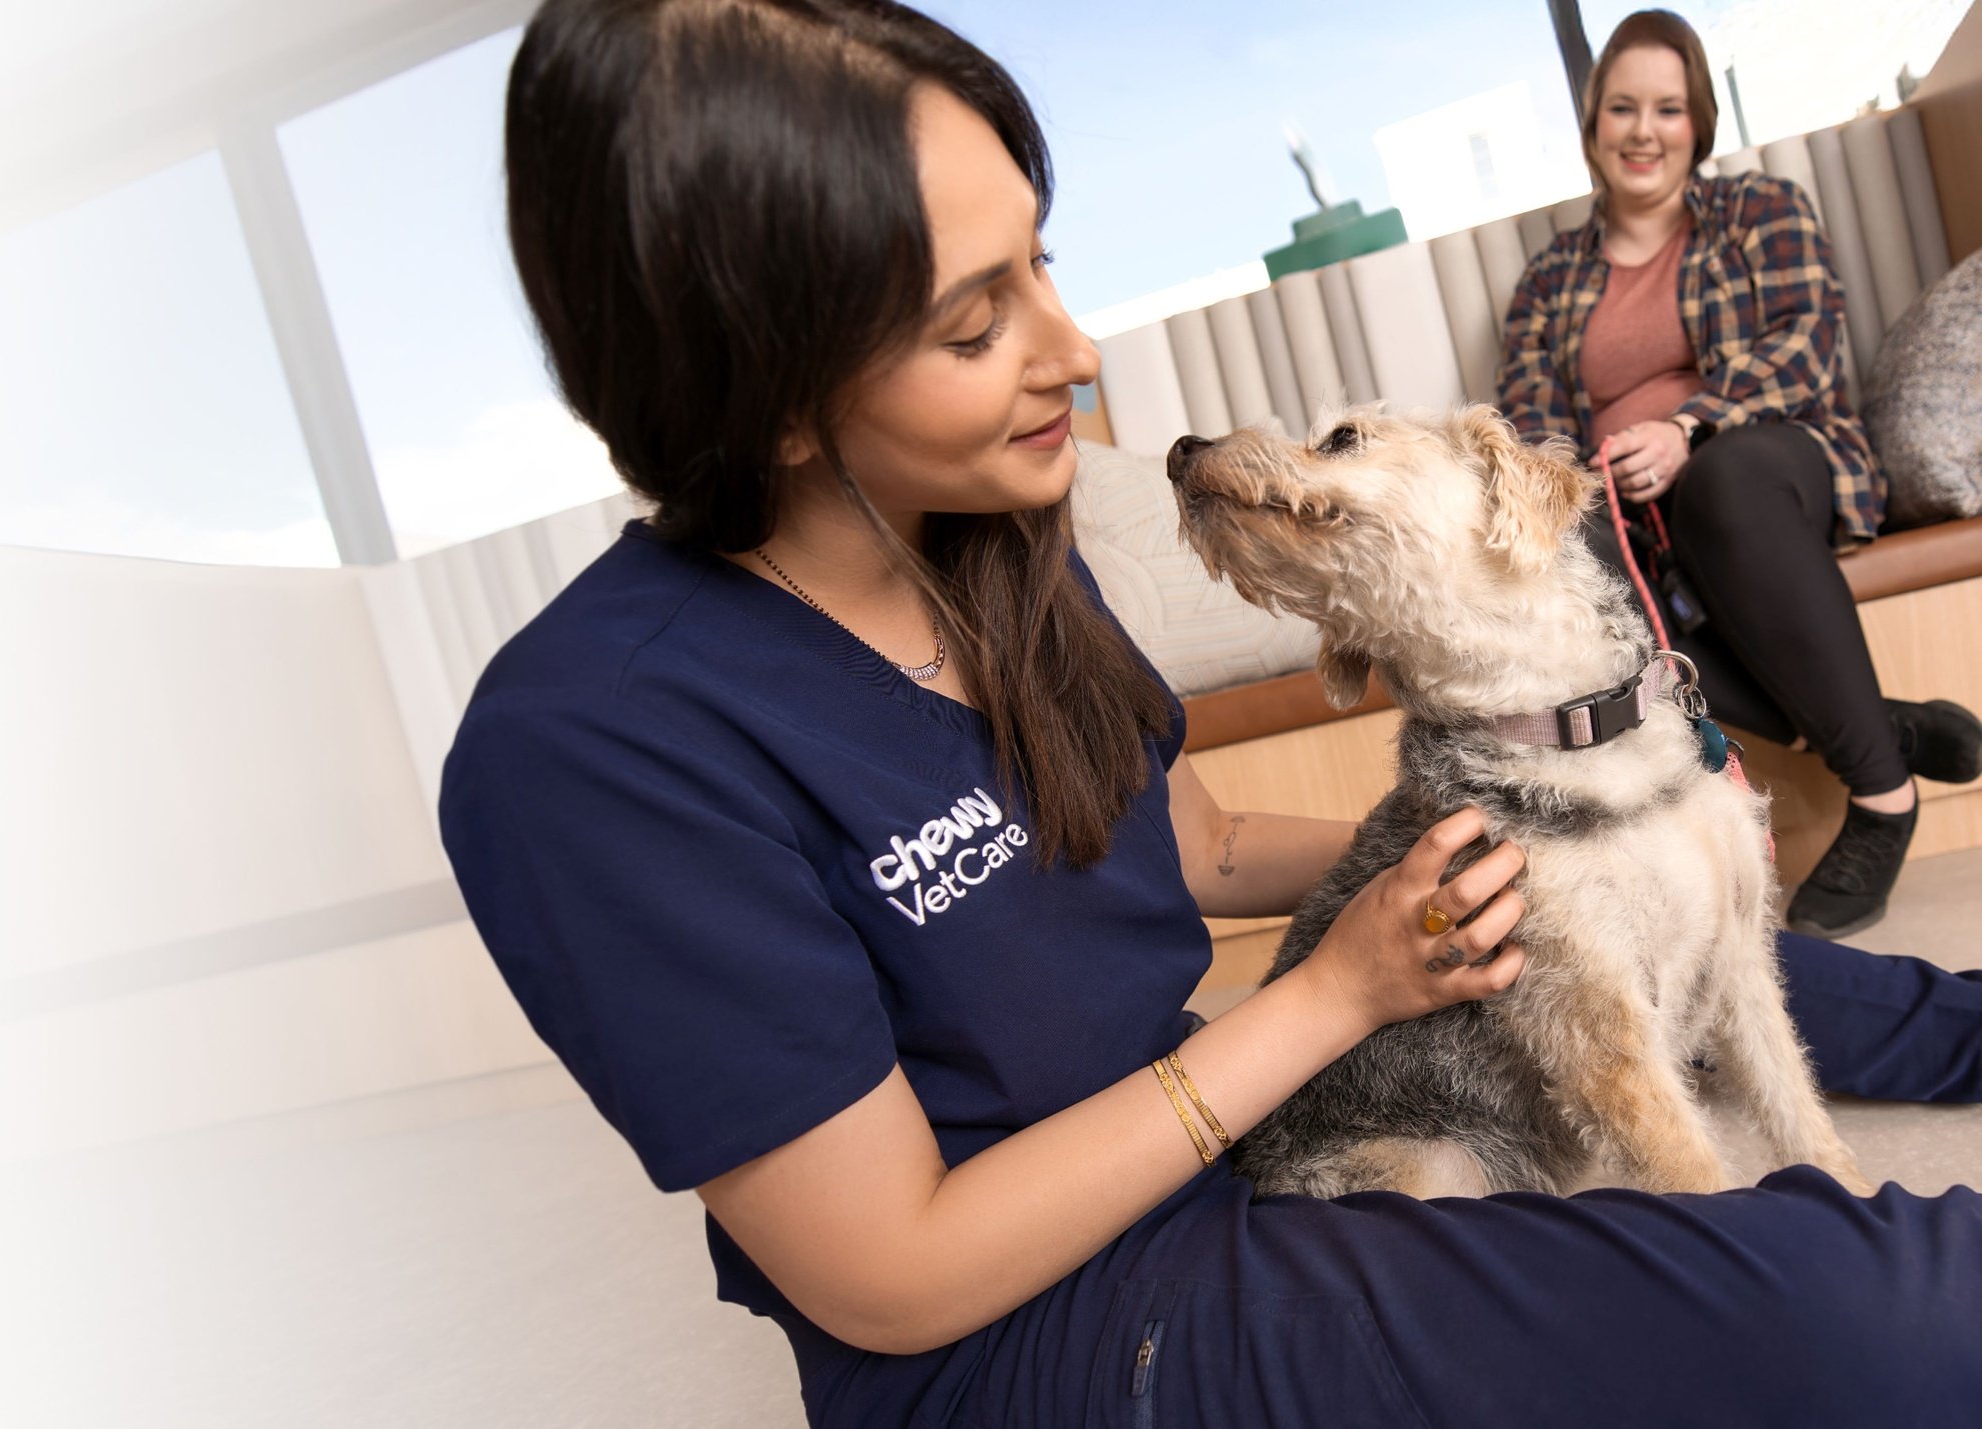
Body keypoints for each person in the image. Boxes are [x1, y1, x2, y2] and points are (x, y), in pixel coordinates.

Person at [440, 2, 1982, 1425]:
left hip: (1221, 1127)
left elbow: (1206, 842)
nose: (1073, 352)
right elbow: (891, 1278)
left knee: (1659, 918)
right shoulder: (595, 744)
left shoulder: (993, 555)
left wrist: (1521, 855)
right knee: (1878, 1314)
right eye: (975, 326)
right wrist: (1330, 997)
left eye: (1040, 265)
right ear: (758, 388)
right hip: (1047, 1321)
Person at [1497, 8, 1982, 937]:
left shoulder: (1762, 210)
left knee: (1721, 481)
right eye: (1622, 109)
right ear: (1593, 126)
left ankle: (1882, 796)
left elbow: (1806, 345)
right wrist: (1591, 483)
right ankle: (1876, 728)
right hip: (1630, 513)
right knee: (1572, 563)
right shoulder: (1547, 283)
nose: (1644, 131)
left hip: (1769, 466)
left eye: (1667, 109)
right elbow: (1531, 433)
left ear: (1698, 124)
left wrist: (1688, 425)